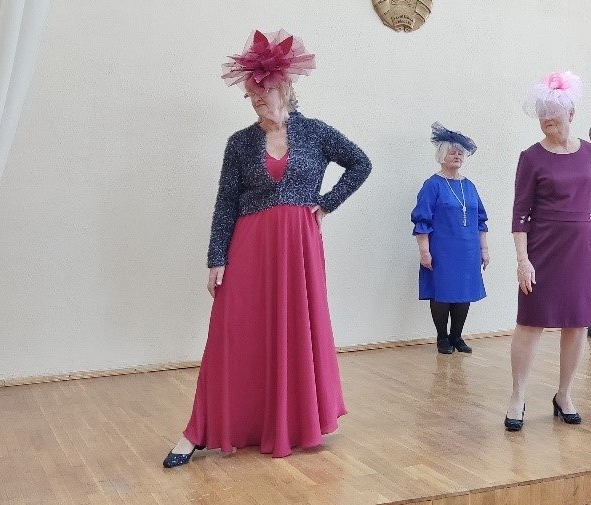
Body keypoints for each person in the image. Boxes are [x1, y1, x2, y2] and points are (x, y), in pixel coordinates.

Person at [164, 29, 372, 466]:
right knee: (232, 332)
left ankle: (289, 424)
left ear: (285, 88)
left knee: (294, 329)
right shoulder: (239, 143)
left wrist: (327, 203)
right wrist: (217, 258)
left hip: (298, 246)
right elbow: (226, 202)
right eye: (251, 93)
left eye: (264, 90)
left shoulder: (315, 133)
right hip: (250, 244)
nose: (257, 98)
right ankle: (198, 431)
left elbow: (361, 163)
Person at [504, 71, 591, 431]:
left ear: (571, 113)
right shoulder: (531, 157)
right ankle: (518, 396)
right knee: (530, 321)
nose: (547, 120)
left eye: (553, 114)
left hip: (583, 248)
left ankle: (564, 394)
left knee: (578, 321)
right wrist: (522, 260)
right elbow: (520, 212)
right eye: (542, 115)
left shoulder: (590, 152)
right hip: (542, 247)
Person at [412, 123, 489, 354]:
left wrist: (484, 249)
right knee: (442, 293)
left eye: (460, 153)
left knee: (464, 292)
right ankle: (442, 338)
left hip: (469, 250)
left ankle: (457, 336)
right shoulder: (432, 185)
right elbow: (422, 220)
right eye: (452, 152)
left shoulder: (469, 186)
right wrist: (424, 251)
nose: (457, 156)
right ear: (441, 156)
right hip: (442, 250)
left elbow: (480, 220)